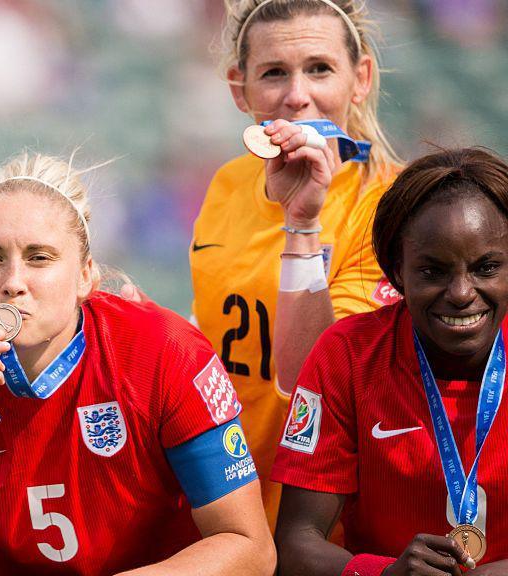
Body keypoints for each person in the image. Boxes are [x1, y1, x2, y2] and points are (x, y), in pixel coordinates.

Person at [0, 153, 276, 576]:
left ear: (85, 276)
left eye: (40, 258)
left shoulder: (162, 350)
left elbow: (249, 546)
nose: (13, 283)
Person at [189, 0, 403, 526]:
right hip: (228, 504)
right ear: (240, 89)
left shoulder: (394, 207)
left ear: (361, 78)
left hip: (326, 523)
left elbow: (316, 383)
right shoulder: (226, 183)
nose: (296, 95)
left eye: (320, 69)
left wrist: (302, 225)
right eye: (274, 73)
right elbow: (219, 331)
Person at [272, 148, 508, 575]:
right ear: (396, 270)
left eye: (486, 267)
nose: (460, 292)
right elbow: (294, 542)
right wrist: (382, 573)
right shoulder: (346, 355)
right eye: (433, 271)